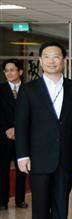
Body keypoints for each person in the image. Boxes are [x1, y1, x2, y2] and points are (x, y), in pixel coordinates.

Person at [15, 42, 72, 219]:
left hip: (66, 157)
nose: (52, 61)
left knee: (61, 200)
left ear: (64, 60)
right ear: (40, 61)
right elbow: (22, 124)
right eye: (47, 57)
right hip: (38, 157)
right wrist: (22, 155)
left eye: (56, 57)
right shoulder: (29, 89)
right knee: (41, 201)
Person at [0, 59, 27, 210]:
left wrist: (18, 129)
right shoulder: (1, 89)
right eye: (6, 71)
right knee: (2, 170)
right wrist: (7, 129)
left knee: (22, 170)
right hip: (3, 137)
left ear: (20, 72)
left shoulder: (28, 90)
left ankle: (20, 200)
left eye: (12, 70)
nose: (9, 73)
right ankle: (2, 201)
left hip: (22, 137)